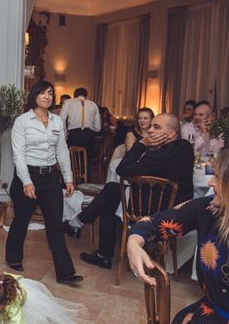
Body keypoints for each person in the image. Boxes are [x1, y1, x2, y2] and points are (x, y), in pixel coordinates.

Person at [127, 148, 229, 324]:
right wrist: (134, 241)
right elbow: (155, 222)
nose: (211, 181)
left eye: (219, 177)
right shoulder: (210, 210)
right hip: (210, 317)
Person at [73, 113, 194, 268]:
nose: (150, 130)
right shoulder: (185, 147)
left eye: (156, 127)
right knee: (113, 194)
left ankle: (95, 243)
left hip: (155, 212)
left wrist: (142, 143)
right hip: (176, 207)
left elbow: (121, 169)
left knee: (111, 193)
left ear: (171, 133)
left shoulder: (157, 156)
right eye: (151, 126)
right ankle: (86, 231)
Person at [6, 81, 82, 285]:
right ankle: (13, 257)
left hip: (50, 178)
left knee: (55, 224)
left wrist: (68, 178)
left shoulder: (57, 121)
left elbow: (62, 151)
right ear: (34, 96)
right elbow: (18, 155)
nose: (47, 97)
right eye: (42, 93)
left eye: (50, 93)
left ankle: (65, 272)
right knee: (22, 219)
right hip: (27, 175)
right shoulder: (22, 121)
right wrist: (26, 181)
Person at [59, 87, 101, 166]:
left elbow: (61, 120)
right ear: (86, 96)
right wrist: (90, 130)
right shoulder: (93, 104)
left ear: (75, 95)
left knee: (72, 161)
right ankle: (86, 177)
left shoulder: (68, 102)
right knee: (87, 161)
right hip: (88, 135)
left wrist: (65, 134)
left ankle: (72, 176)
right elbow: (98, 127)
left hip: (74, 135)